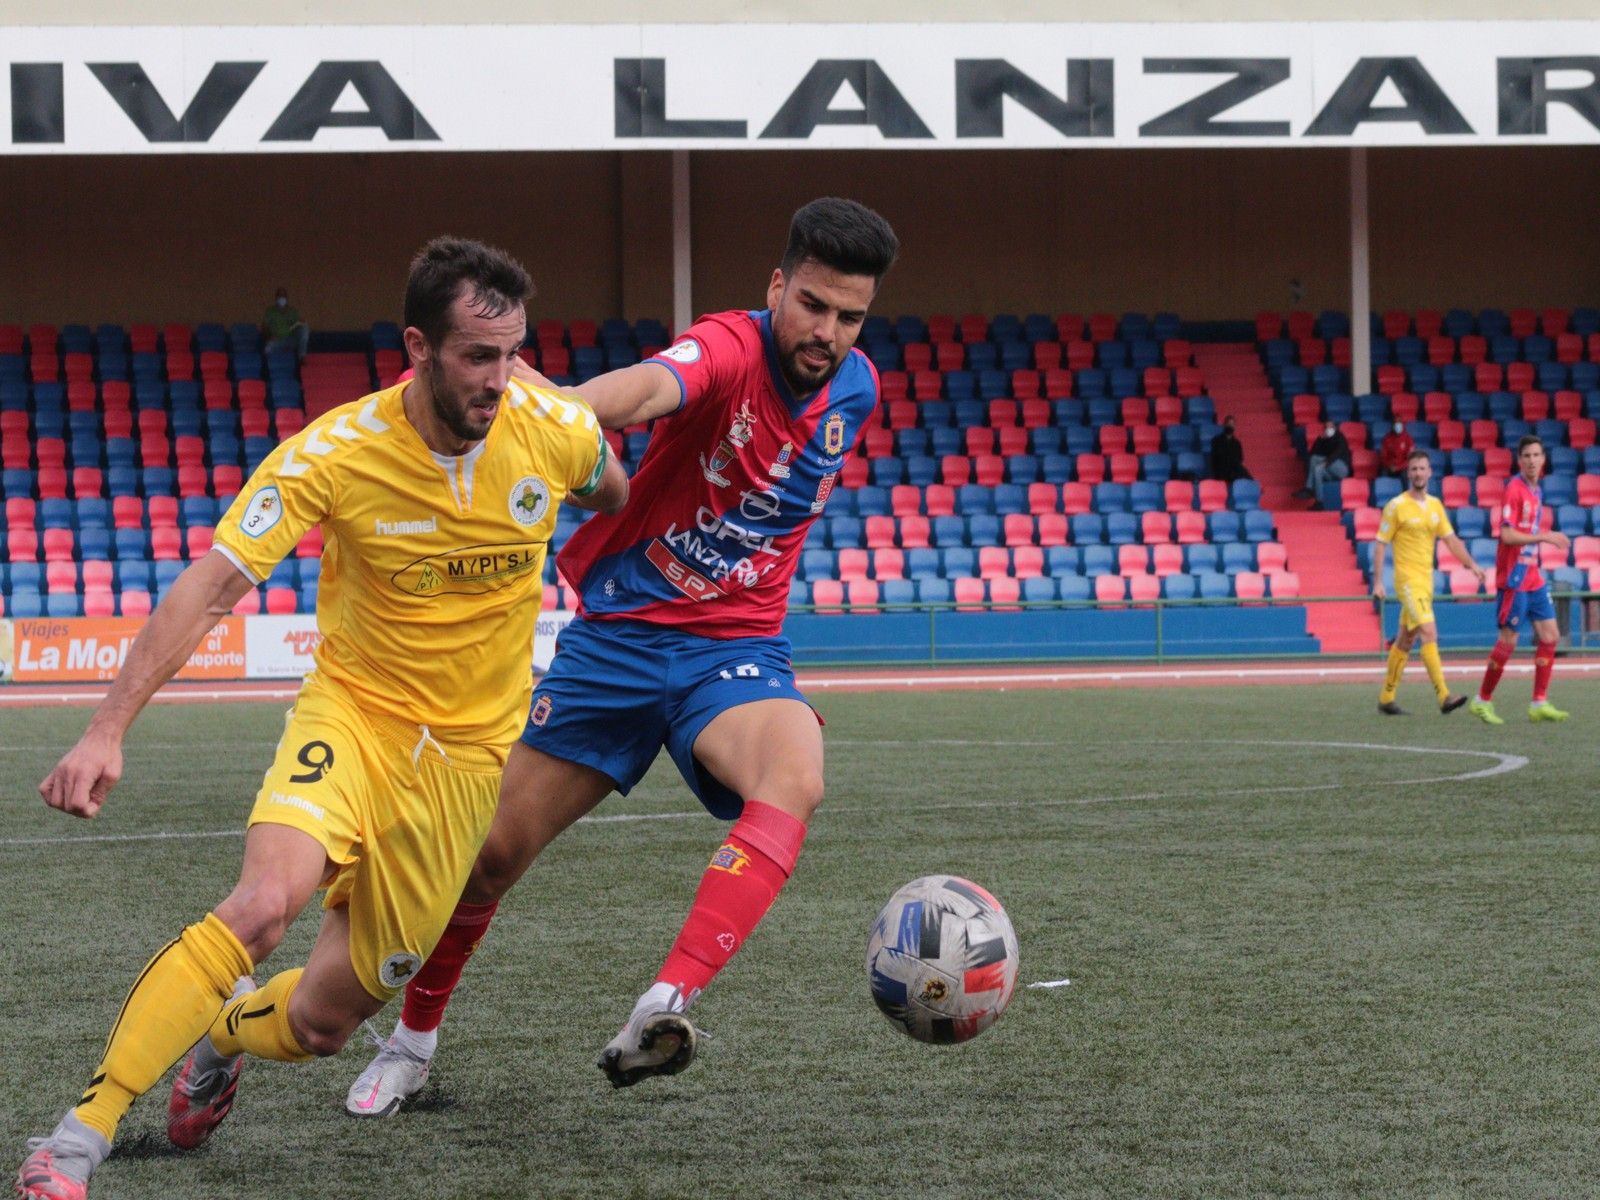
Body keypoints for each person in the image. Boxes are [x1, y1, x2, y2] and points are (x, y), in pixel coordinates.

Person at [15, 237, 628, 1200]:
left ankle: (220, 1036)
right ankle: (77, 1136)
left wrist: (584, 475)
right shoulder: (334, 453)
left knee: (324, 1024)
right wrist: (106, 728)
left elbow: (611, 486)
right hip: (355, 720)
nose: (499, 380)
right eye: (477, 355)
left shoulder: (549, 424)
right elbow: (214, 586)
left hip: (467, 764)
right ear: (417, 348)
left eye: (513, 354)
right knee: (263, 905)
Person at [343, 196, 898, 1115]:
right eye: (812, 305)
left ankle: (664, 1003)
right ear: (776, 288)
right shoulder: (729, 345)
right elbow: (645, 389)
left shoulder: (857, 390)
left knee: (795, 775)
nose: (828, 333)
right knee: (489, 858)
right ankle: (412, 1041)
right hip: (619, 644)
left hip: (736, 649)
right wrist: (563, 414)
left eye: (849, 317)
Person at [1371, 451, 1484, 715]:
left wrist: (1472, 564)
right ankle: (1444, 695)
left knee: (1405, 639)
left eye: (1422, 469)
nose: (1418, 473)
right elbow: (1380, 543)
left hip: (1426, 581)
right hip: (1408, 581)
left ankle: (1386, 698)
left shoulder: (1435, 506)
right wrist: (1378, 581)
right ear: (1408, 473)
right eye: (1414, 469)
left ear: (1429, 472)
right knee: (1429, 632)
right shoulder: (1397, 505)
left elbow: (1451, 540)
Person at [1470, 435, 1571, 724]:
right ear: (1519, 460)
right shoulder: (1513, 490)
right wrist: (1544, 536)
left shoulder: (1536, 491)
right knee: (1508, 641)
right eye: (1526, 455)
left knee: (1550, 635)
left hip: (1532, 575)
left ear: (1543, 460)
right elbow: (1506, 535)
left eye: (1536, 455)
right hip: (1513, 578)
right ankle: (1482, 700)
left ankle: (1539, 701)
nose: (1531, 460)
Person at [1296, 420, 1351, 505]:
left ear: (1335, 428)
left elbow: (1337, 453)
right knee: (1317, 467)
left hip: (1342, 467)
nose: (1329, 429)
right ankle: (1318, 500)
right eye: (1327, 427)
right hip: (1330, 470)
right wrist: (1320, 439)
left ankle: (1309, 488)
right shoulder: (1325, 439)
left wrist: (1326, 463)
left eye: (1331, 427)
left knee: (1319, 466)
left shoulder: (1340, 437)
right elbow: (1313, 454)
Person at [262, 286, 310, 361]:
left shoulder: (292, 311)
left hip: (291, 340)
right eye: (280, 295)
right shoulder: (270, 311)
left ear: (287, 298)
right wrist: (269, 337)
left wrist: (301, 322)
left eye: (283, 296)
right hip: (276, 341)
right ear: (276, 297)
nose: (282, 298)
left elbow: (299, 323)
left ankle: (301, 357)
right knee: (267, 348)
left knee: (305, 328)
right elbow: (264, 326)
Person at [1207, 414, 1250, 483]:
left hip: (1233, 471)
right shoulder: (1216, 440)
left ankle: (1252, 485)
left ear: (1235, 427)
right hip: (1221, 471)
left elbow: (1240, 459)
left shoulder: (1237, 443)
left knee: (1241, 470)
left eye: (1232, 424)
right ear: (1224, 425)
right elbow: (1216, 459)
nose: (1230, 426)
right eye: (1229, 424)